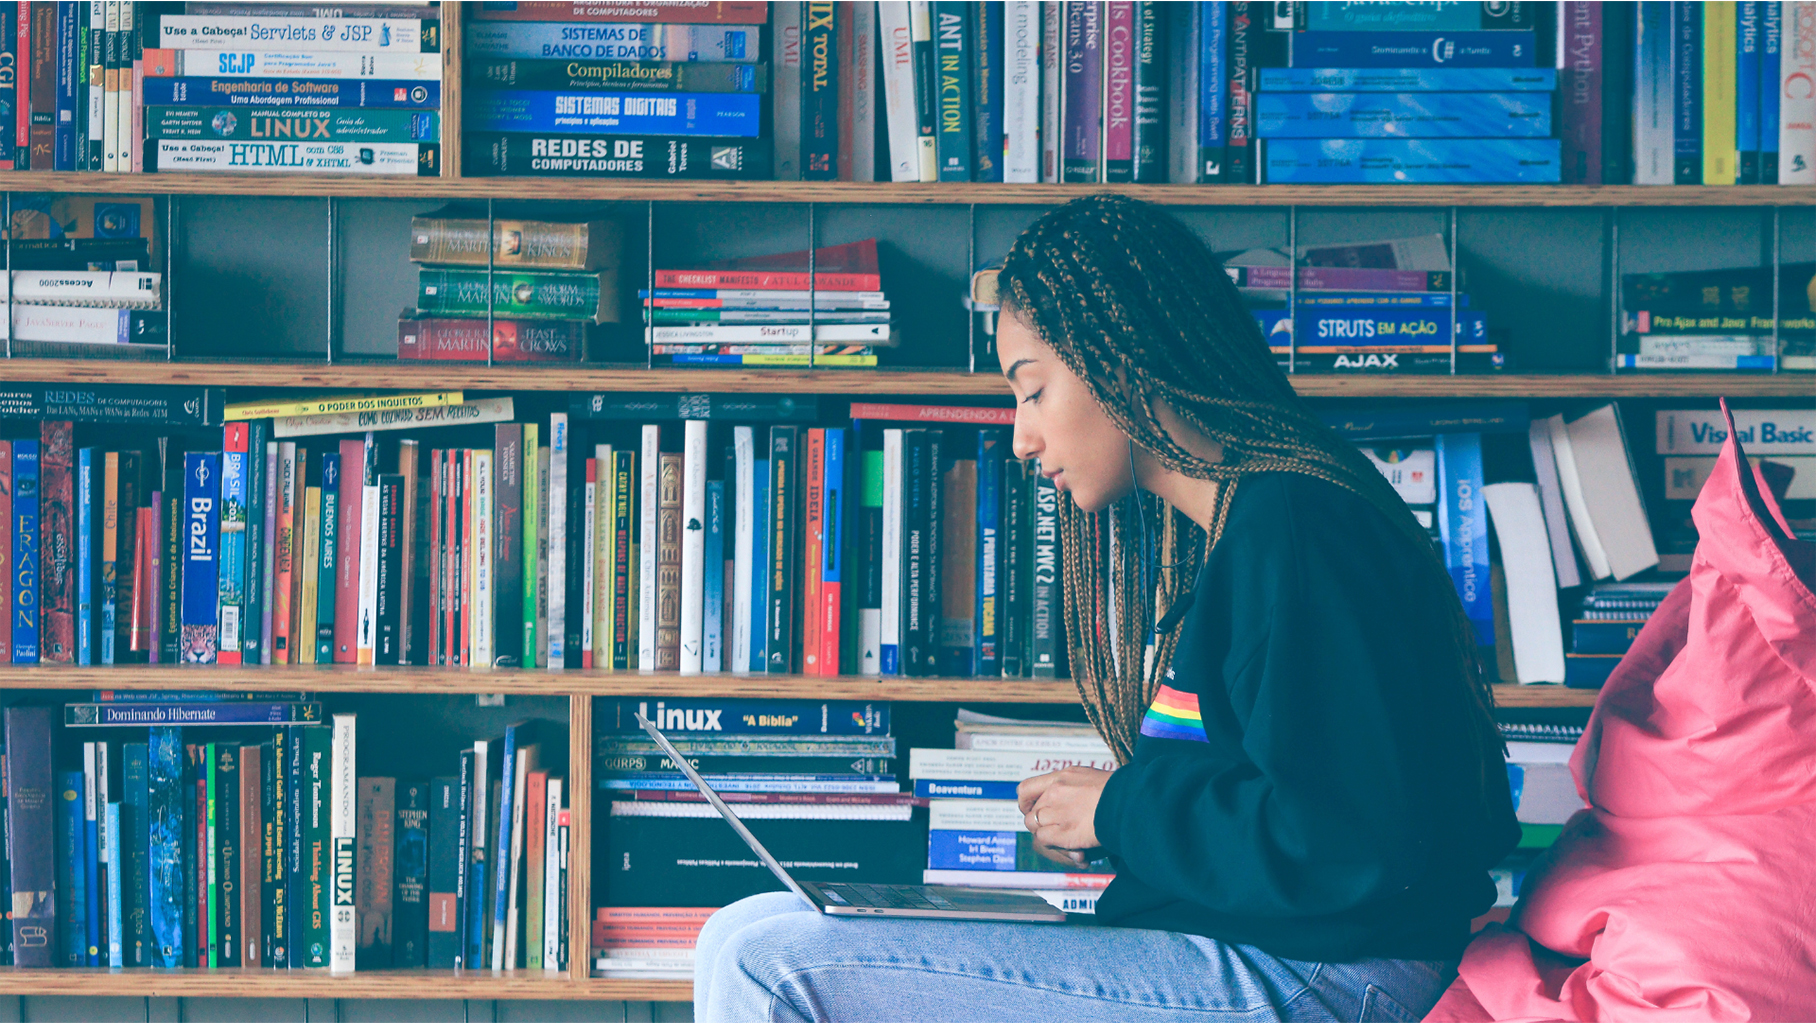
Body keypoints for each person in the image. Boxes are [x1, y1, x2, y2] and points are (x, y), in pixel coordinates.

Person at [692, 195, 1520, 1023]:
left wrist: (1117, 808)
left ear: (1122, 362)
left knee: (769, 964)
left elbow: (1348, 838)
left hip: (1329, 977)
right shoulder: (1241, 526)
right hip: (1262, 949)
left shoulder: (1296, 529)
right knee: (746, 926)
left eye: (1034, 391)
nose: (1020, 439)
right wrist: (1121, 818)